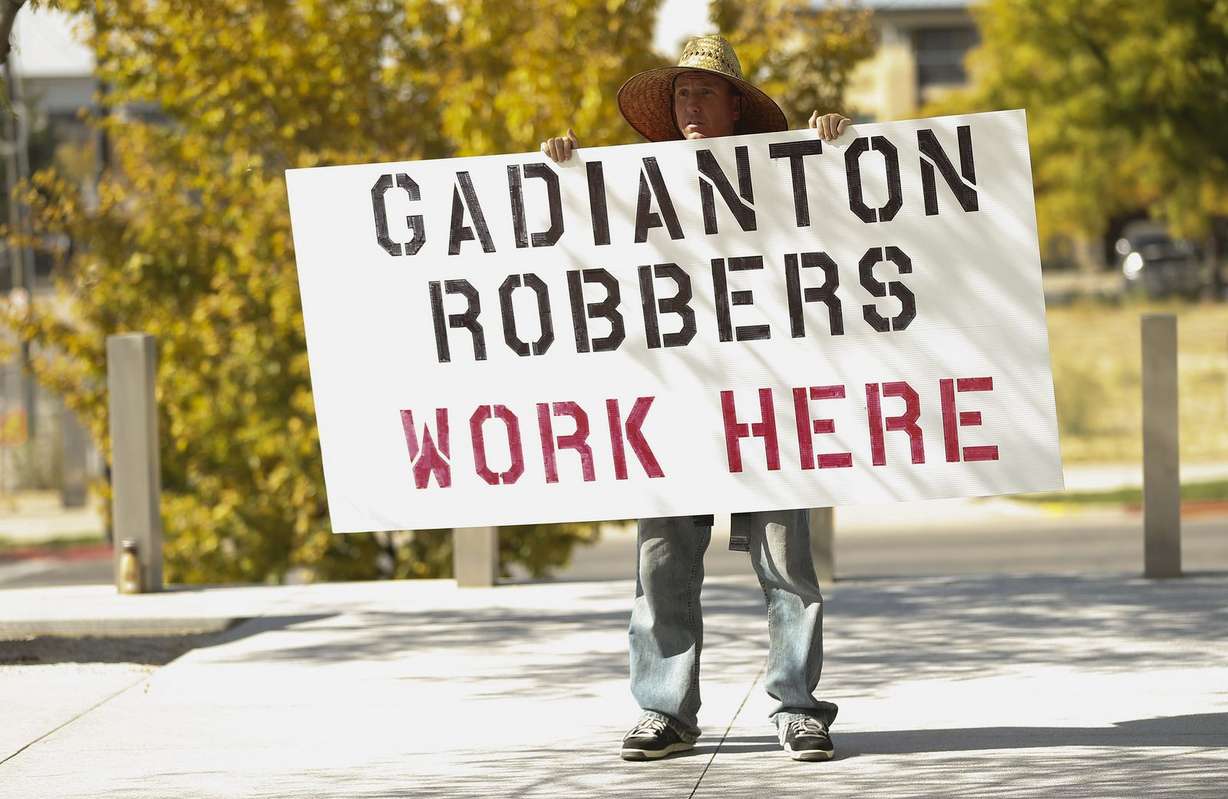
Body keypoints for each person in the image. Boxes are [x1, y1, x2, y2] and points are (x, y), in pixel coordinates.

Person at [540, 34, 850, 763]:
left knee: (786, 563)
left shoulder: (782, 177)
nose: (689, 103)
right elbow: (575, 253)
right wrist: (558, 172)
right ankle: (665, 711)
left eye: (704, 91)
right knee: (661, 562)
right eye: (681, 91)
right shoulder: (634, 182)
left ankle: (798, 707)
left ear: (735, 106)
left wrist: (830, 149)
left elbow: (840, 230)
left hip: (767, 397)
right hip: (673, 402)